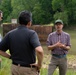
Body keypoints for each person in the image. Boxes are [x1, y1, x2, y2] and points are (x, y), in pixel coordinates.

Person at [0, 10, 43, 75]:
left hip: (15, 68)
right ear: (29, 23)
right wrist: (39, 65)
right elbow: (39, 51)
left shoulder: (10, 34)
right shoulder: (32, 34)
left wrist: (11, 57)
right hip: (28, 69)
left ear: (19, 21)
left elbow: (0, 50)